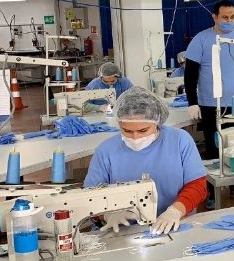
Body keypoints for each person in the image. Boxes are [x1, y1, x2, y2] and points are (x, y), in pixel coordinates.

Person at [84, 87, 208, 235]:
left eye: (143, 130)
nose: (135, 137)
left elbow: (197, 185)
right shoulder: (106, 151)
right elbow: (89, 197)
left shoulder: (180, 141)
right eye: (127, 131)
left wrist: (176, 211)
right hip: (124, 230)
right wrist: (106, 214)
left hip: (175, 223)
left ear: (157, 121)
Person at [184, 0, 234, 159]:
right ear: (214, 17)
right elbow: (190, 75)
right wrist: (192, 102)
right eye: (225, 17)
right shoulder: (201, 40)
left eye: (232, 17)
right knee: (216, 152)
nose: (229, 21)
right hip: (212, 107)